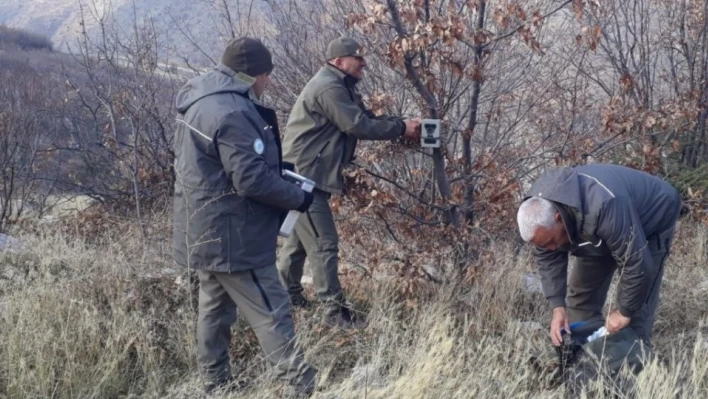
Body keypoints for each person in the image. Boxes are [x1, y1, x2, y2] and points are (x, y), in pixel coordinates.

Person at [172, 37, 317, 395]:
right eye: (267, 75)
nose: (268, 83)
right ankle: (301, 385)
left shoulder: (200, 100)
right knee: (271, 309)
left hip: (203, 228)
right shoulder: (234, 112)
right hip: (235, 235)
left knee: (214, 309)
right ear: (252, 75)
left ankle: (215, 383)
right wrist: (297, 197)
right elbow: (250, 179)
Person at [276, 36, 421, 327]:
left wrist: (401, 123)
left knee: (299, 243)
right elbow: (358, 126)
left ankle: (286, 300)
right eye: (358, 58)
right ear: (340, 61)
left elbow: (365, 117)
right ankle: (334, 313)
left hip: (301, 175)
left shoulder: (340, 85)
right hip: (305, 179)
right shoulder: (329, 87)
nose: (364, 63)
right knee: (323, 243)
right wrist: (402, 128)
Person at [516, 163, 682, 347]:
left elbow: (637, 264)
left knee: (635, 308)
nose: (552, 248)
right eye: (544, 245)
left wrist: (624, 312)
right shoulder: (541, 219)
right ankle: (587, 355)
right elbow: (548, 259)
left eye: (551, 242)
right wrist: (557, 308)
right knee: (580, 296)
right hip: (600, 227)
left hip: (653, 214)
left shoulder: (604, 204)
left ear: (558, 218)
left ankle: (633, 363)